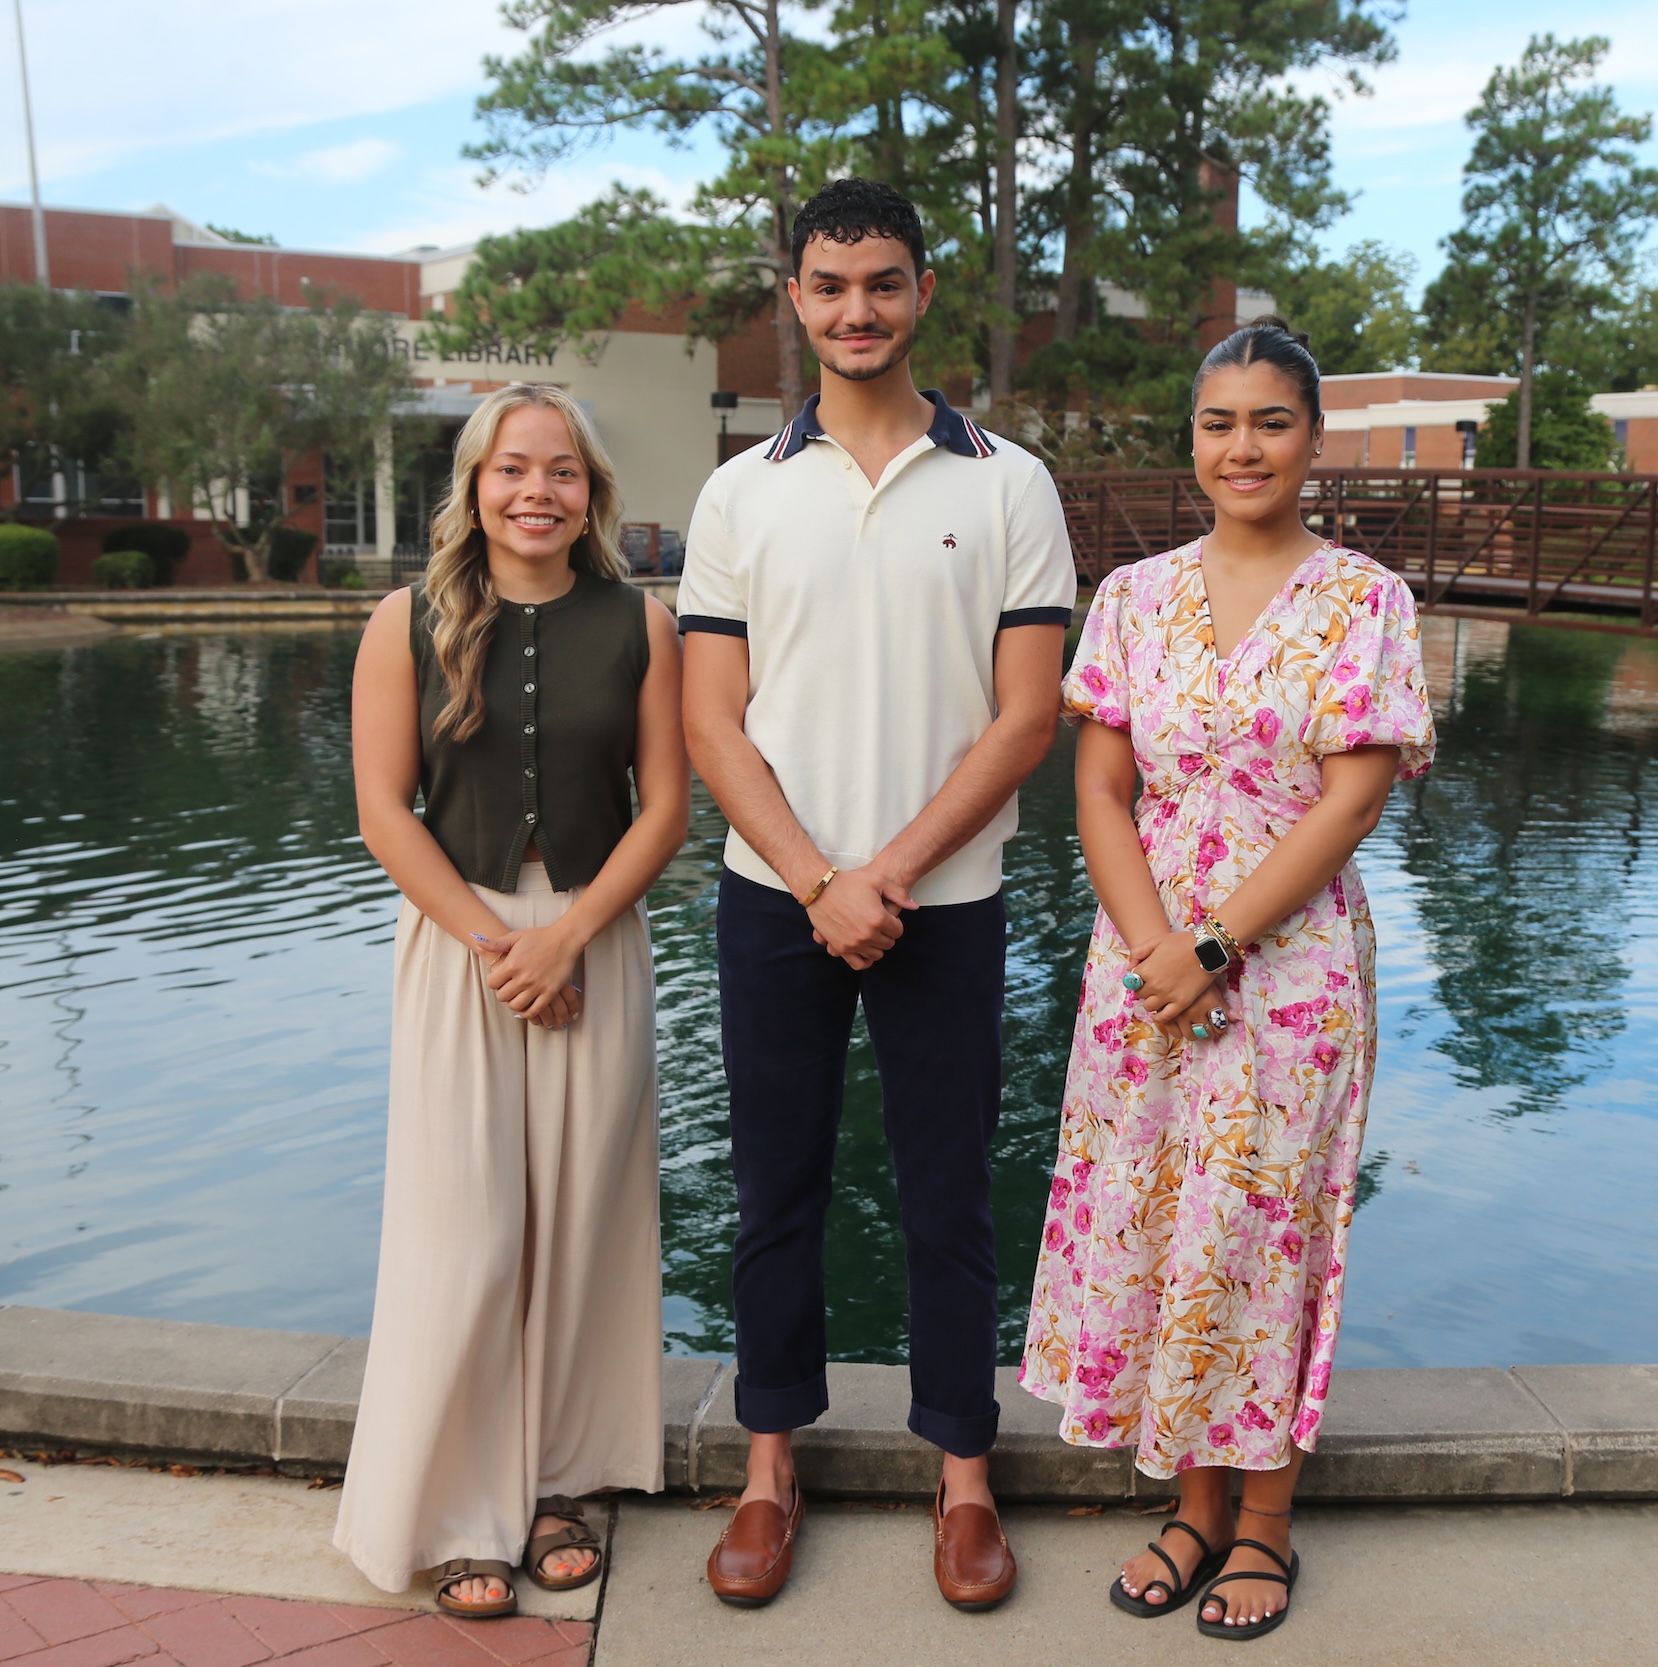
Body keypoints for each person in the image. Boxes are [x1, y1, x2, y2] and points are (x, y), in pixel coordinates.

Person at [677, 176, 1076, 1611]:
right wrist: (816, 878)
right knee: (774, 1189)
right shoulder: (739, 491)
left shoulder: (1008, 482)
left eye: (884, 283)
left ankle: (962, 1473)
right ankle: (768, 1466)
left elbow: (1025, 717)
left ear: (923, 292)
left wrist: (886, 875)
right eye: (832, 285)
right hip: (773, 897)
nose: (858, 310)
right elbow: (712, 719)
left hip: (944, 902)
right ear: (795, 297)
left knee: (949, 1192)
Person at [1018, 321, 1435, 1639]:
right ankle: (1191, 1502)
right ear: (1190, 438)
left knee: (1263, 1227)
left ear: (1312, 438)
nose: (1242, 446)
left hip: (1287, 966)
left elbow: (1351, 799)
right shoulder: (1132, 596)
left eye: (1270, 421)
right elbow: (1100, 787)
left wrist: (1215, 945)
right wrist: (1157, 944)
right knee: (1156, 1216)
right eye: (1218, 422)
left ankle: (1263, 1520)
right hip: (1137, 962)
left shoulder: (1366, 598)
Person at [335, 382, 689, 1618]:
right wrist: (498, 943)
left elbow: (665, 809)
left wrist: (570, 935)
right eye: (512, 468)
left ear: (592, 492)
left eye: (562, 470)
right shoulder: (402, 623)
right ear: (474, 486)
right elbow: (384, 810)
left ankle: (553, 1487)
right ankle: (453, 1506)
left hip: (597, 938)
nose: (537, 490)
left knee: (582, 1223)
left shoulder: (643, 625)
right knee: (465, 1230)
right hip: (460, 942)